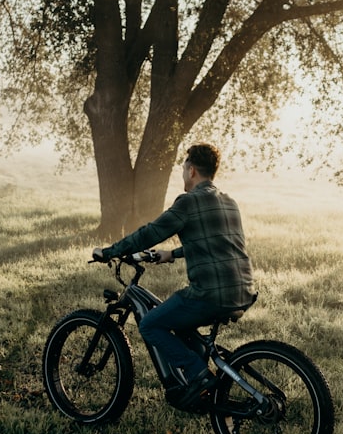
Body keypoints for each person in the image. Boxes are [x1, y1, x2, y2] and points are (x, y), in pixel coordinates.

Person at [93, 143, 256, 407]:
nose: (182, 173)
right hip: (242, 289)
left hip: (210, 293)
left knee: (150, 324)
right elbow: (218, 242)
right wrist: (173, 254)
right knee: (181, 322)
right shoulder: (229, 202)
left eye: (183, 168)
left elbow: (149, 234)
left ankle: (198, 375)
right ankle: (202, 376)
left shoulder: (188, 202)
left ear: (191, 170)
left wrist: (111, 251)